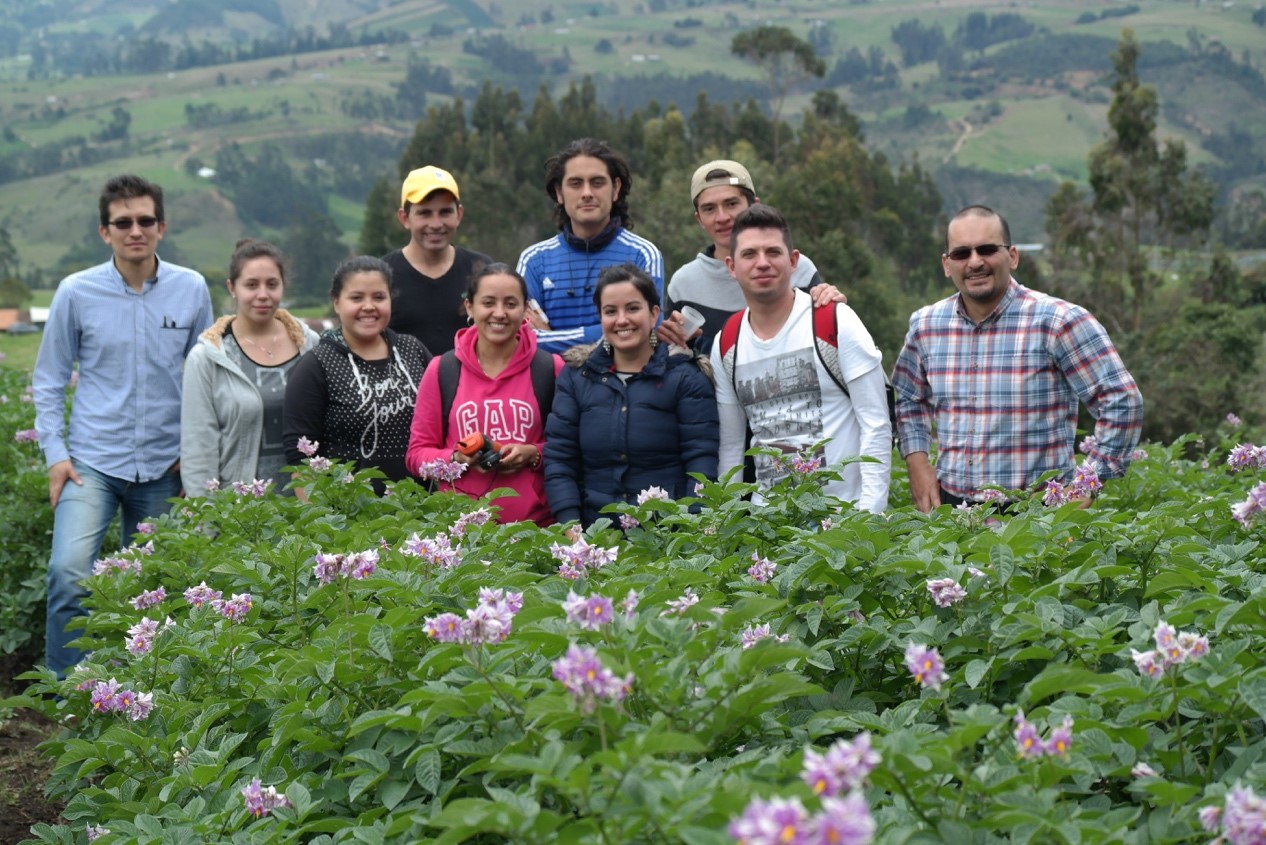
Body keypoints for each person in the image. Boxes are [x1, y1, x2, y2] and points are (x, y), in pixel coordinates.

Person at [33, 174, 213, 676]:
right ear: (104, 231)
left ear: (162, 226)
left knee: (154, 584)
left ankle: (144, 691)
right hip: (91, 463)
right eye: (123, 222)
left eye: (145, 221)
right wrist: (56, 455)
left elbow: (205, 377)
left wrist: (193, 453)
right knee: (69, 573)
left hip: (164, 465)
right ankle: (71, 691)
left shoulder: (191, 288)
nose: (136, 230)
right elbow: (48, 379)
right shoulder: (76, 292)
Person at [891, 204, 1143, 511]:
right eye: (961, 253)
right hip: (952, 513)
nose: (975, 262)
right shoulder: (926, 326)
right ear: (946, 264)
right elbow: (908, 398)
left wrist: (1087, 484)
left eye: (986, 249)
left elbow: (1122, 400)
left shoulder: (1059, 321)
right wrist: (918, 464)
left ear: (1012, 256)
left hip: (1037, 517)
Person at [711, 205, 890, 514]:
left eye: (773, 252)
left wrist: (869, 517)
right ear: (731, 266)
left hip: (842, 518)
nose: (762, 263)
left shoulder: (834, 322)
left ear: (793, 261)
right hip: (768, 523)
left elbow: (875, 424)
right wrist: (728, 521)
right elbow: (731, 446)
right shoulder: (727, 342)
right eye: (750, 254)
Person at [545, 264, 718, 527]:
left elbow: (701, 461)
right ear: (600, 317)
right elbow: (560, 460)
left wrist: (691, 531)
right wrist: (573, 531)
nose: (622, 320)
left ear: (654, 313)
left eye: (633, 308)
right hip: (595, 534)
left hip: (666, 534)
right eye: (610, 311)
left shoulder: (684, 376)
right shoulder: (577, 376)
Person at [406, 263, 563, 524]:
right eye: (488, 302)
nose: (499, 313)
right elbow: (416, 456)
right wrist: (457, 458)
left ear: (525, 308)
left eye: (511, 304)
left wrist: (532, 454)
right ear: (470, 307)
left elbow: (569, 448)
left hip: (534, 531)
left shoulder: (549, 368)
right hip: (459, 536)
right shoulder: (442, 370)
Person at [658, 159, 844, 354]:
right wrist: (658, 337)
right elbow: (659, 350)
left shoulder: (796, 269)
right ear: (699, 219)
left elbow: (829, 338)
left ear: (754, 206)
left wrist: (835, 309)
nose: (722, 217)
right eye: (709, 209)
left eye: (731, 204)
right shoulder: (685, 283)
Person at [181, 239, 320, 495]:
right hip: (242, 513)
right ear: (232, 287)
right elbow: (199, 450)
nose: (263, 295)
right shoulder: (208, 358)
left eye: (272, 284)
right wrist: (206, 522)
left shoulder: (309, 345)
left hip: (307, 508)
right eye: (251, 285)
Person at [283, 256, 431, 490]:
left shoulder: (413, 350)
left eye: (379, 297)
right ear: (336, 302)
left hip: (422, 508)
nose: (369, 306)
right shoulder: (316, 366)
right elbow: (300, 460)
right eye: (356, 297)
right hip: (350, 514)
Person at [517, 138, 664, 353]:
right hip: (552, 385)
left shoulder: (643, 254)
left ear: (615, 189)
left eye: (597, 182)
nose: (587, 193)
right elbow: (521, 340)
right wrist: (608, 334)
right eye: (575, 183)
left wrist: (550, 337)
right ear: (559, 193)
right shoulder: (533, 260)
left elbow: (648, 331)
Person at [383, 165, 492, 354]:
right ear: (404, 218)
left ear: (459, 214)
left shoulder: (482, 271)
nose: (435, 224)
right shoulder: (382, 276)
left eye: (445, 212)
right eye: (424, 213)